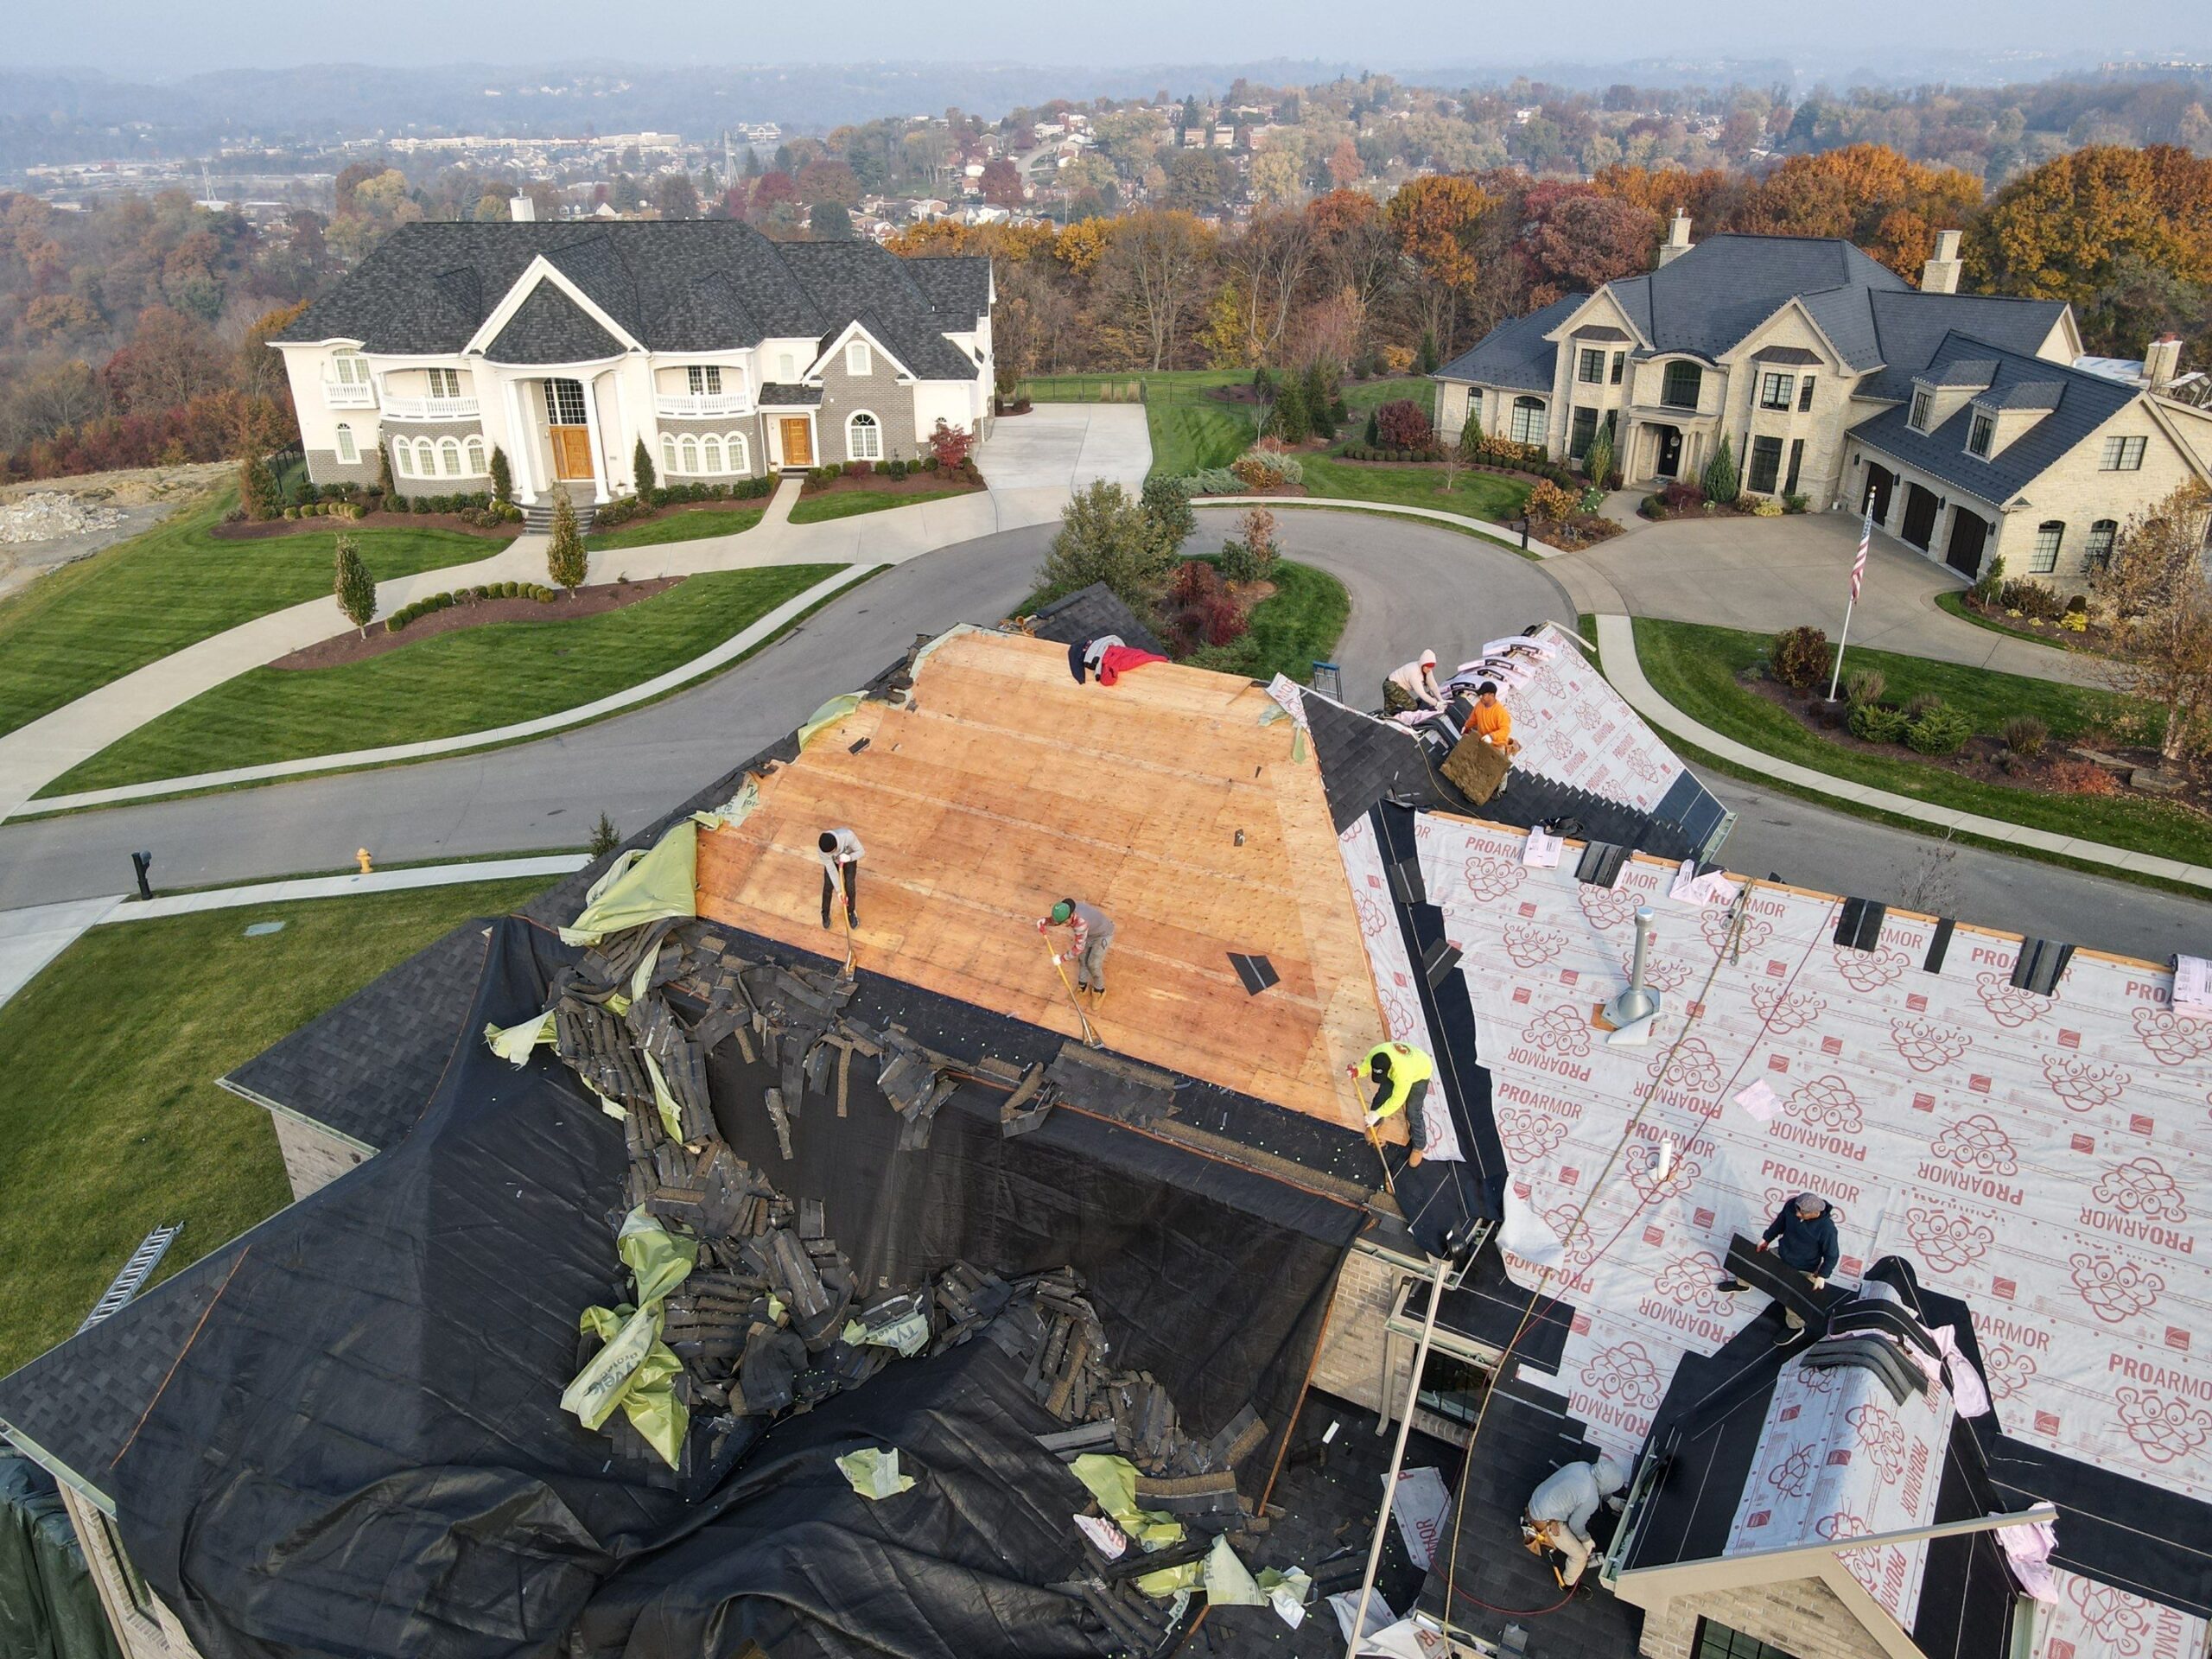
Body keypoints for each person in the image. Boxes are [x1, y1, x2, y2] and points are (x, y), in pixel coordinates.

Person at [1718, 1192, 1840, 1342]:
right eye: (1797, 1209)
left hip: (1804, 1266)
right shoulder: (1792, 1206)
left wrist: (1822, 1275)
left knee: (1795, 1298)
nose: (1797, 1213)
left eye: (1802, 1213)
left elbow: (1832, 1255)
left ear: (1815, 1213)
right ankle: (1742, 1285)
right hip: (1782, 1253)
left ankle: (1795, 1327)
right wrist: (1766, 1238)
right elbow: (1780, 1223)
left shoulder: (1827, 1229)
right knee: (1755, 1262)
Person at [1523, 1455, 1627, 1587]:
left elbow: (1600, 1485)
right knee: (1580, 1556)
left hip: (1537, 1500)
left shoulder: (1582, 1466)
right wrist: (1586, 1540)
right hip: (1543, 1521)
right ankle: (1567, 1583)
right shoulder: (1591, 1498)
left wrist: (1612, 1500)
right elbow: (1575, 1525)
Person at [1349, 1039, 1435, 1168]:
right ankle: (1375, 1125)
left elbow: (1398, 1100)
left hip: (1420, 1072)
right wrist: (1357, 1071)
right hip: (1399, 1067)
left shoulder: (1403, 1074)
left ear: (1390, 1068)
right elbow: (1367, 1065)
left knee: (1413, 1111)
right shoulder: (1376, 1053)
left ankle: (1419, 1146)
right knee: (1381, 1098)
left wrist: (1378, 1113)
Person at [1039, 899, 1115, 996]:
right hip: (1089, 933)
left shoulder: (1080, 924)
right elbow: (1057, 921)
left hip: (1102, 934)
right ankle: (1082, 986)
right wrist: (1044, 921)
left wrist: (1061, 959)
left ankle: (1099, 990)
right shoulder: (1065, 908)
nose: (1065, 924)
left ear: (1070, 915)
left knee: (1093, 964)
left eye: (1066, 921)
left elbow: (1078, 948)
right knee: (1083, 960)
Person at [817, 828, 862, 930]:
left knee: (850, 886)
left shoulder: (848, 836)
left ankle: (850, 911)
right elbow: (831, 869)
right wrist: (839, 891)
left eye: (831, 852)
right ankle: (825, 912)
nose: (829, 854)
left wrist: (849, 858)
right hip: (833, 862)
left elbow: (861, 851)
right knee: (828, 886)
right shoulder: (822, 851)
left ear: (836, 847)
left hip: (849, 858)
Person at [1384, 650, 1446, 715]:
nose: (1430, 669)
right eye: (1428, 667)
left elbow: (1433, 686)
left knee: (1390, 709)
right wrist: (1436, 704)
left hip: (1391, 684)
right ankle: (1402, 718)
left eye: (1431, 667)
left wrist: (1441, 700)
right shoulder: (1414, 673)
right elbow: (1422, 694)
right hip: (1391, 686)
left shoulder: (1427, 671)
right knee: (1412, 706)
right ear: (1422, 664)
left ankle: (1388, 715)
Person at [1469, 682, 1516, 753]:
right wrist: (1466, 727)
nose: (1481, 697)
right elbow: (1473, 719)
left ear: (1492, 695)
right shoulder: (1480, 706)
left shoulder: (1500, 712)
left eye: (1483, 695)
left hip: (1497, 747)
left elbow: (1505, 730)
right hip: (1483, 742)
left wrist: (1491, 736)